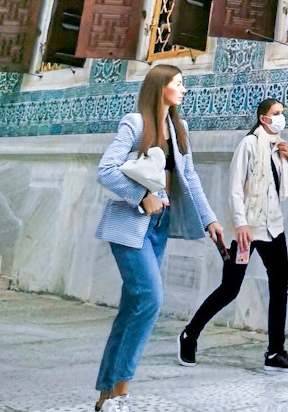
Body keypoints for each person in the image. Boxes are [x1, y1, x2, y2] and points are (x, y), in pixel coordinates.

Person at [93, 64, 224, 412]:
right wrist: (141, 196)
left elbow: (190, 178)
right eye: (177, 83)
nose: (182, 90)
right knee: (150, 298)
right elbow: (105, 170)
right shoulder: (135, 123)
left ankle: (106, 394)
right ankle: (121, 391)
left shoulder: (177, 128)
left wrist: (209, 219)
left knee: (132, 308)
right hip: (130, 225)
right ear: (160, 86)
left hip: (159, 227)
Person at [177, 98, 288, 373]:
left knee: (279, 287)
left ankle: (275, 352)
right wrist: (240, 224)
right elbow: (235, 187)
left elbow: (286, 187)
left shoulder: (278, 147)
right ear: (263, 118)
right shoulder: (248, 145)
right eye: (276, 113)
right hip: (247, 230)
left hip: (274, 228)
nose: (281, 117)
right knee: (230, 288)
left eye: (282, 113)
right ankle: (190, 334)